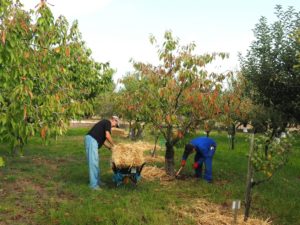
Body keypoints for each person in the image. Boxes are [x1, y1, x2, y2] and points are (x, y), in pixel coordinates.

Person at [85, 116, 120, 190]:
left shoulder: (104, 124)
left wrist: (110, 148)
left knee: (96, 162)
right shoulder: (107, 122)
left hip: (93, 141)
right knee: (93, 163)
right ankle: (93, 185)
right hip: (92, 141)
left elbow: (104, 141)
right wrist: (114, 145)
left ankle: (97, 181)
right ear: (114, 120)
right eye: (115, 124)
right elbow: (107, 136)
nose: (114, 126)